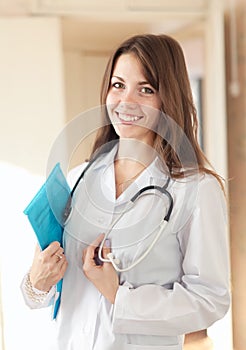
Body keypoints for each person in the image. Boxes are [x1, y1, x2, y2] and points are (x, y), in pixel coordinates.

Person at [21, 34, 230, 350]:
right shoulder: (78, 179)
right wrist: (37, 283)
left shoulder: (196, 189)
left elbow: (210, 299)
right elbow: (38, 295)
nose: (126, 101)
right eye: (118, 85)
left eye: (145, 90)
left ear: (167, 99)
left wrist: (121, 297)